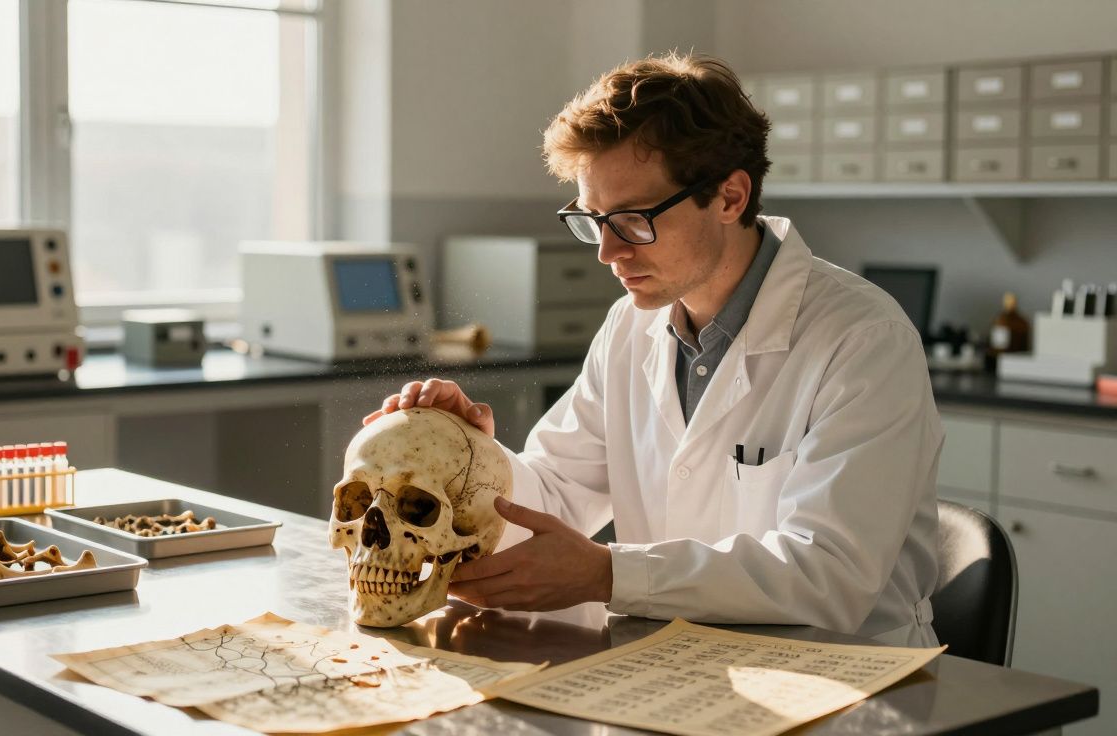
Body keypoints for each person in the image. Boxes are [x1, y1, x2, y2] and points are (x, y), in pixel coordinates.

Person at [364, 52, 942, 647]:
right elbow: (558, 495)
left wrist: (609, 574)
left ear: (729, 198)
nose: (607, 253)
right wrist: (474, 460)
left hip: (843, 680)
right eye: (593, 220)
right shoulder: (630, 327)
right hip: (672, 664)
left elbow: (831, 574)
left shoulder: (863, 339)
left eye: (634, 220)